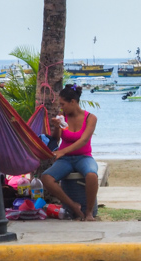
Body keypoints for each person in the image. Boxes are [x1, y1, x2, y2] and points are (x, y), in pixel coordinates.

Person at [41, 84, 98, 221]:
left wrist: (62, 151)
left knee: (91, 174)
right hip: (66, 159)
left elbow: (84, 141)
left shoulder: (90, 118)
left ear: (73, 102)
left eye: (63, 104)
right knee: (46, 177)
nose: (61, 108)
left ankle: (89, 212)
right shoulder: (62, 117)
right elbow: (56, 139)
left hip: (83, 157)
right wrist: (55, 128)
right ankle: (74, 206)